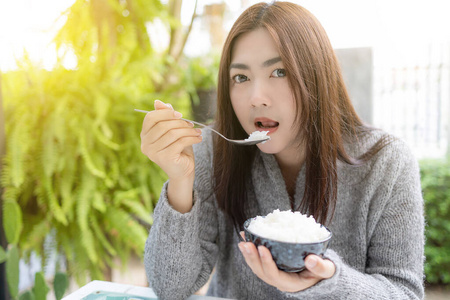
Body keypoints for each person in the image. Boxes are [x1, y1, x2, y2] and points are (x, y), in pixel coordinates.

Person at [140, 2, 424, 299]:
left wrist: (328, 283)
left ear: (317, 76)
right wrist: (180, 181)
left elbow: (404, 292)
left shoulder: (386, 162)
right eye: (241, 77)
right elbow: (169, 287)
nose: (256, 98)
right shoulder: (213, 150)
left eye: (279, 71)